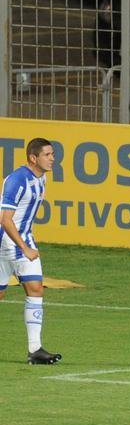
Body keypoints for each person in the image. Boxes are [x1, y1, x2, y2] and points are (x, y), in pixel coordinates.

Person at [0, 137, 61, 365]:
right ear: (33, 158)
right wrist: (24, 247)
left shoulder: (42, 178)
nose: (52, 158)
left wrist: (27, 244)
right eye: (47, 155)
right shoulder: (17, 180)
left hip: (24, 242)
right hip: (4, 245)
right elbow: (5, 220)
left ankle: (35, 350)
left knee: (35, 289)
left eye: (52, 154)